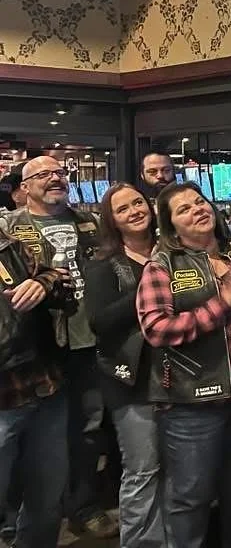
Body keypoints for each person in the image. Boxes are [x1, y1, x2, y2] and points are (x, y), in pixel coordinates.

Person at [136, 182, 231, 548]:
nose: (197, 209)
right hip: (192, 404)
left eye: (200, 201)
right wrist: (220, 303)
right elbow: (157, 329)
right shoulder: (161, 265)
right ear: (171, 227)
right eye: (184, 209)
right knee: (190, 497)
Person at [0, 156, 119, 539]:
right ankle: (16, 515)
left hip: (88, 339)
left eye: (59, 173)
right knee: (25, 440)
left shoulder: (91, 222)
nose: (54, 179)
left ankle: (82, 505)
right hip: (37, 347)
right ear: (25, 184)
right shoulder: (9, 228)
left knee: (87, 428)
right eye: (44, 175)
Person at [86, 183, 167, 548]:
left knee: (176, 470)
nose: (135, 210)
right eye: (123, 209)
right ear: (112, 221)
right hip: (130, 380)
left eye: (138, 202)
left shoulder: (173, 252)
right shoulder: (105, 264)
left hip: (177, 377)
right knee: (143, 470)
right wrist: (149, 284)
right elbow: (100, 323)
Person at [0, 222, 68, 547]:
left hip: (43, 387)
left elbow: (58, 279)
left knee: (47, 499)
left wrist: (42, 283)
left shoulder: (9, 246)